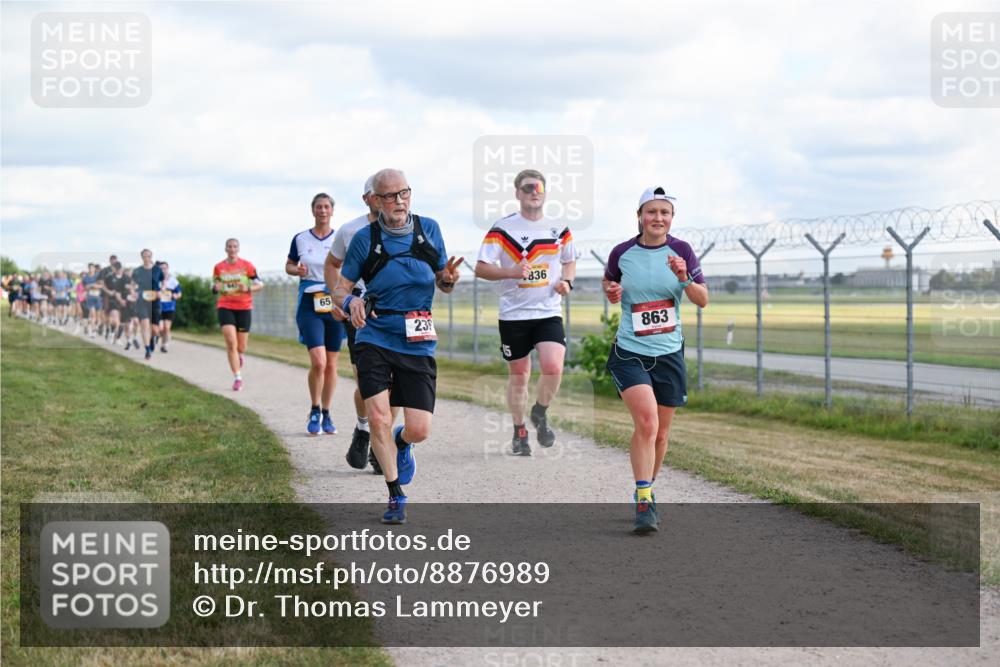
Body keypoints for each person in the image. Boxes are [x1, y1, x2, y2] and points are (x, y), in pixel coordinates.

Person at [333, 168, 462, 525]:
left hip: (418, 337)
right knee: (378, 415)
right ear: (374, 200)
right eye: (390, 195)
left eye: (404, 193)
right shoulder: (364, 238)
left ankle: (401, 442)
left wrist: (448, 279)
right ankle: (395, 495)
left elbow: (443, 279)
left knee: (420, 428)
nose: (399, 201)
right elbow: (340, 288)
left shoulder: (429, 229)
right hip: (374, 334)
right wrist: (350, 303)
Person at [603, 186, 709, 534]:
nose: (658, 218)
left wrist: (684, 277)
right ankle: (645, 500)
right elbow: (610, 285)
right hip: (630, 352)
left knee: (661, 434)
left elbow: (702, 299)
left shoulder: (682, 251)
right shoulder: (623, 252)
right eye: (651, 212)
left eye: (664, 213)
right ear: (639, 216)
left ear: (671, 218)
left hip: (669, 353)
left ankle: (645, 489)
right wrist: (612, 292)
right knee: (647, 424)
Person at [475, 169, 577, 456]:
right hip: (514, 315)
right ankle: (519, 431)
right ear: (517, 193)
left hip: (548, 311)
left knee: (553, 367)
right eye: (528, 187)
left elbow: (570, 261)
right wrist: (511, 271)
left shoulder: (559, 227)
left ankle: (540, 412)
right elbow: (481, 268)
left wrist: (567, 282)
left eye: (539, 187)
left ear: (545, 192)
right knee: (519, 375)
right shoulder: (502, 229)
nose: (535, 191)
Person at [325, 175, 383, 471]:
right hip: (358, 307)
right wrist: (338, 300)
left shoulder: (409, 227)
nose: (390, 199)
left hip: (394, 308)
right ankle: (364, 428)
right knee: (367, 381)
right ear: (368, 198)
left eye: (397, 193)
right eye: (381, 194)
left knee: (394, 382)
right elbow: (332, 265)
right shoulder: (350, 230)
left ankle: (379, 441)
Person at [287, 193, 344, 435]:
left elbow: (350, 267)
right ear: (313, 211)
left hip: (335, 303)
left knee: (331, 364)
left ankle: (327, 412)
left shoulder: (341, 238)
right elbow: (289, 265)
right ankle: (314, 408)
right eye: (318, 207)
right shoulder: (300, 238)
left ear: (332, 211)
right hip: (310, 303)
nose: (322, 210)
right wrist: (296, 269)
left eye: (326, 207)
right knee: (318, 362)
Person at [213, 238, 262, 391]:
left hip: (244, 307)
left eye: (235, 246)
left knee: (241, 346)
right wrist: (216, 287)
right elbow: (214, 287)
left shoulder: (247, 266)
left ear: (238, 249)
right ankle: (237, 377)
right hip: (225, 306)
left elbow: (260, 284)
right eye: (229, 246)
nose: (232, 249)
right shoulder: (219, 267)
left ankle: (239, 355)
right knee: (231, 343)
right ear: (225, 248)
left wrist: (247, 287)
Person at [131, 249, 164, 360]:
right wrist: (133, 292)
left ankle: (152, 339)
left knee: (155, 329)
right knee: (144, 325)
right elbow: (132, 285)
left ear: (151, 256)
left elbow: (163, 282)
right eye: (145, 256)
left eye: (149, 256)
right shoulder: (137, 271)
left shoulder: (157, 270)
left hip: (155, 300)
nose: (147, 258)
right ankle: (147, 349)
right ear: (142, 257)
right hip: (142, 300)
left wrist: (161, 290)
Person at [157, 261, 182, 352]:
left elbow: (179, 293)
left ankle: (164, 345)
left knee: (166, 328)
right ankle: (162, 338)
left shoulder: (173, 280)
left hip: (170, 307)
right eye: (161, 268)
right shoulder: (156, 280)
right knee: (160, 328)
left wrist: (176, 296)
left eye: (164, 268)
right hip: (159, 307)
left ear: (168, 269)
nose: (163, 270)